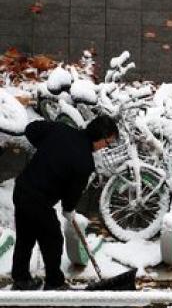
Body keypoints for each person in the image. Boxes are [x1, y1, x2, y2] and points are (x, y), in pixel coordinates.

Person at [10, 115, 119, 290]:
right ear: (99, 136)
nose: (105, 147)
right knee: (52, 239)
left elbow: (31, 129)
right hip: (39, 200)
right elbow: (72, 193)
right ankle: (54, 283)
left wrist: (48, 148)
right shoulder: (84, 162)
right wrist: (69, 209)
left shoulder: (61, 129)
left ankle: (21, 279)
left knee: (26, 236)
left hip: (22, 188)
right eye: (107, 142)